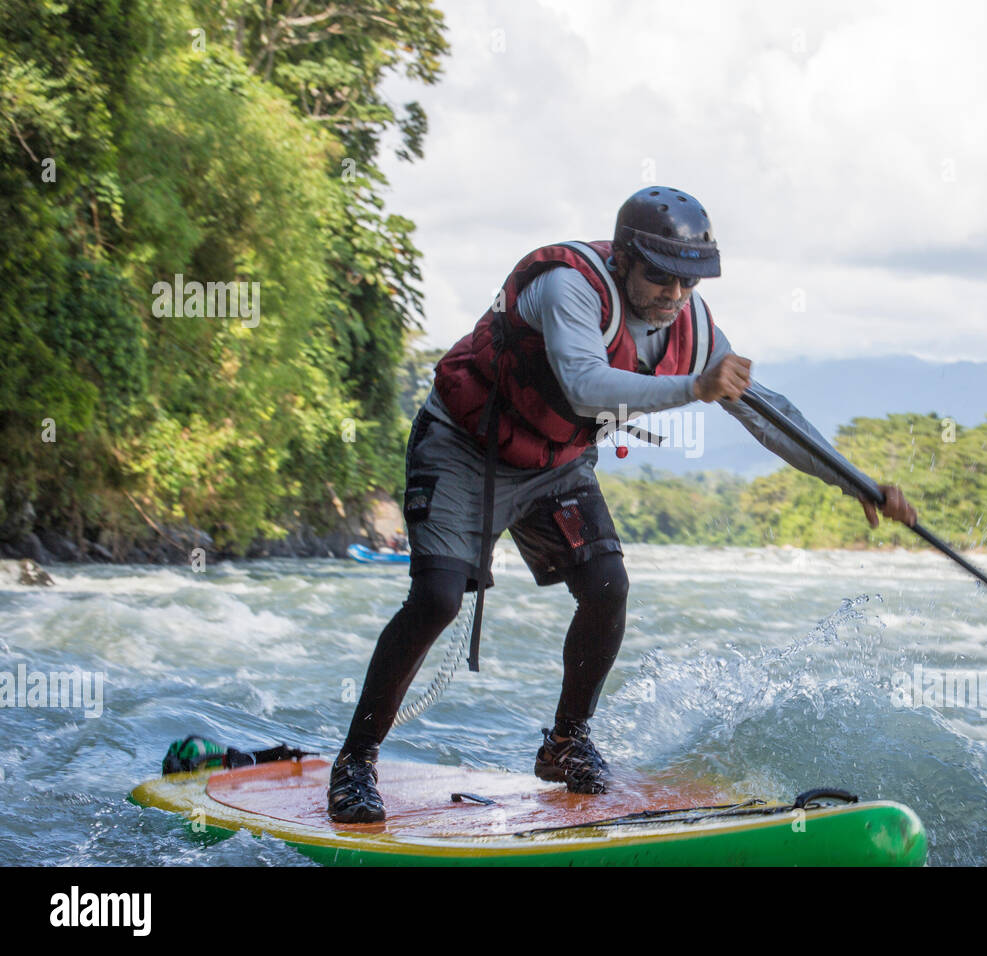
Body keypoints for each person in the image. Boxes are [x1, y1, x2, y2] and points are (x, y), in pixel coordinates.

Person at [327, 186, 917, 823]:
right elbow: (583, 386)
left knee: (607, 585)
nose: (674, 294)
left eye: (689, 281)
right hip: (466, 446)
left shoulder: (693, 327)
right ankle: (355, 763)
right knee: (438, 598)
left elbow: (770, 413)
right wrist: (693, 388)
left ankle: (565, 744)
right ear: (626, 259)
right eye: (660, 276)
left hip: (553, 463)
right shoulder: (567, 286)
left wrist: (856, 481)